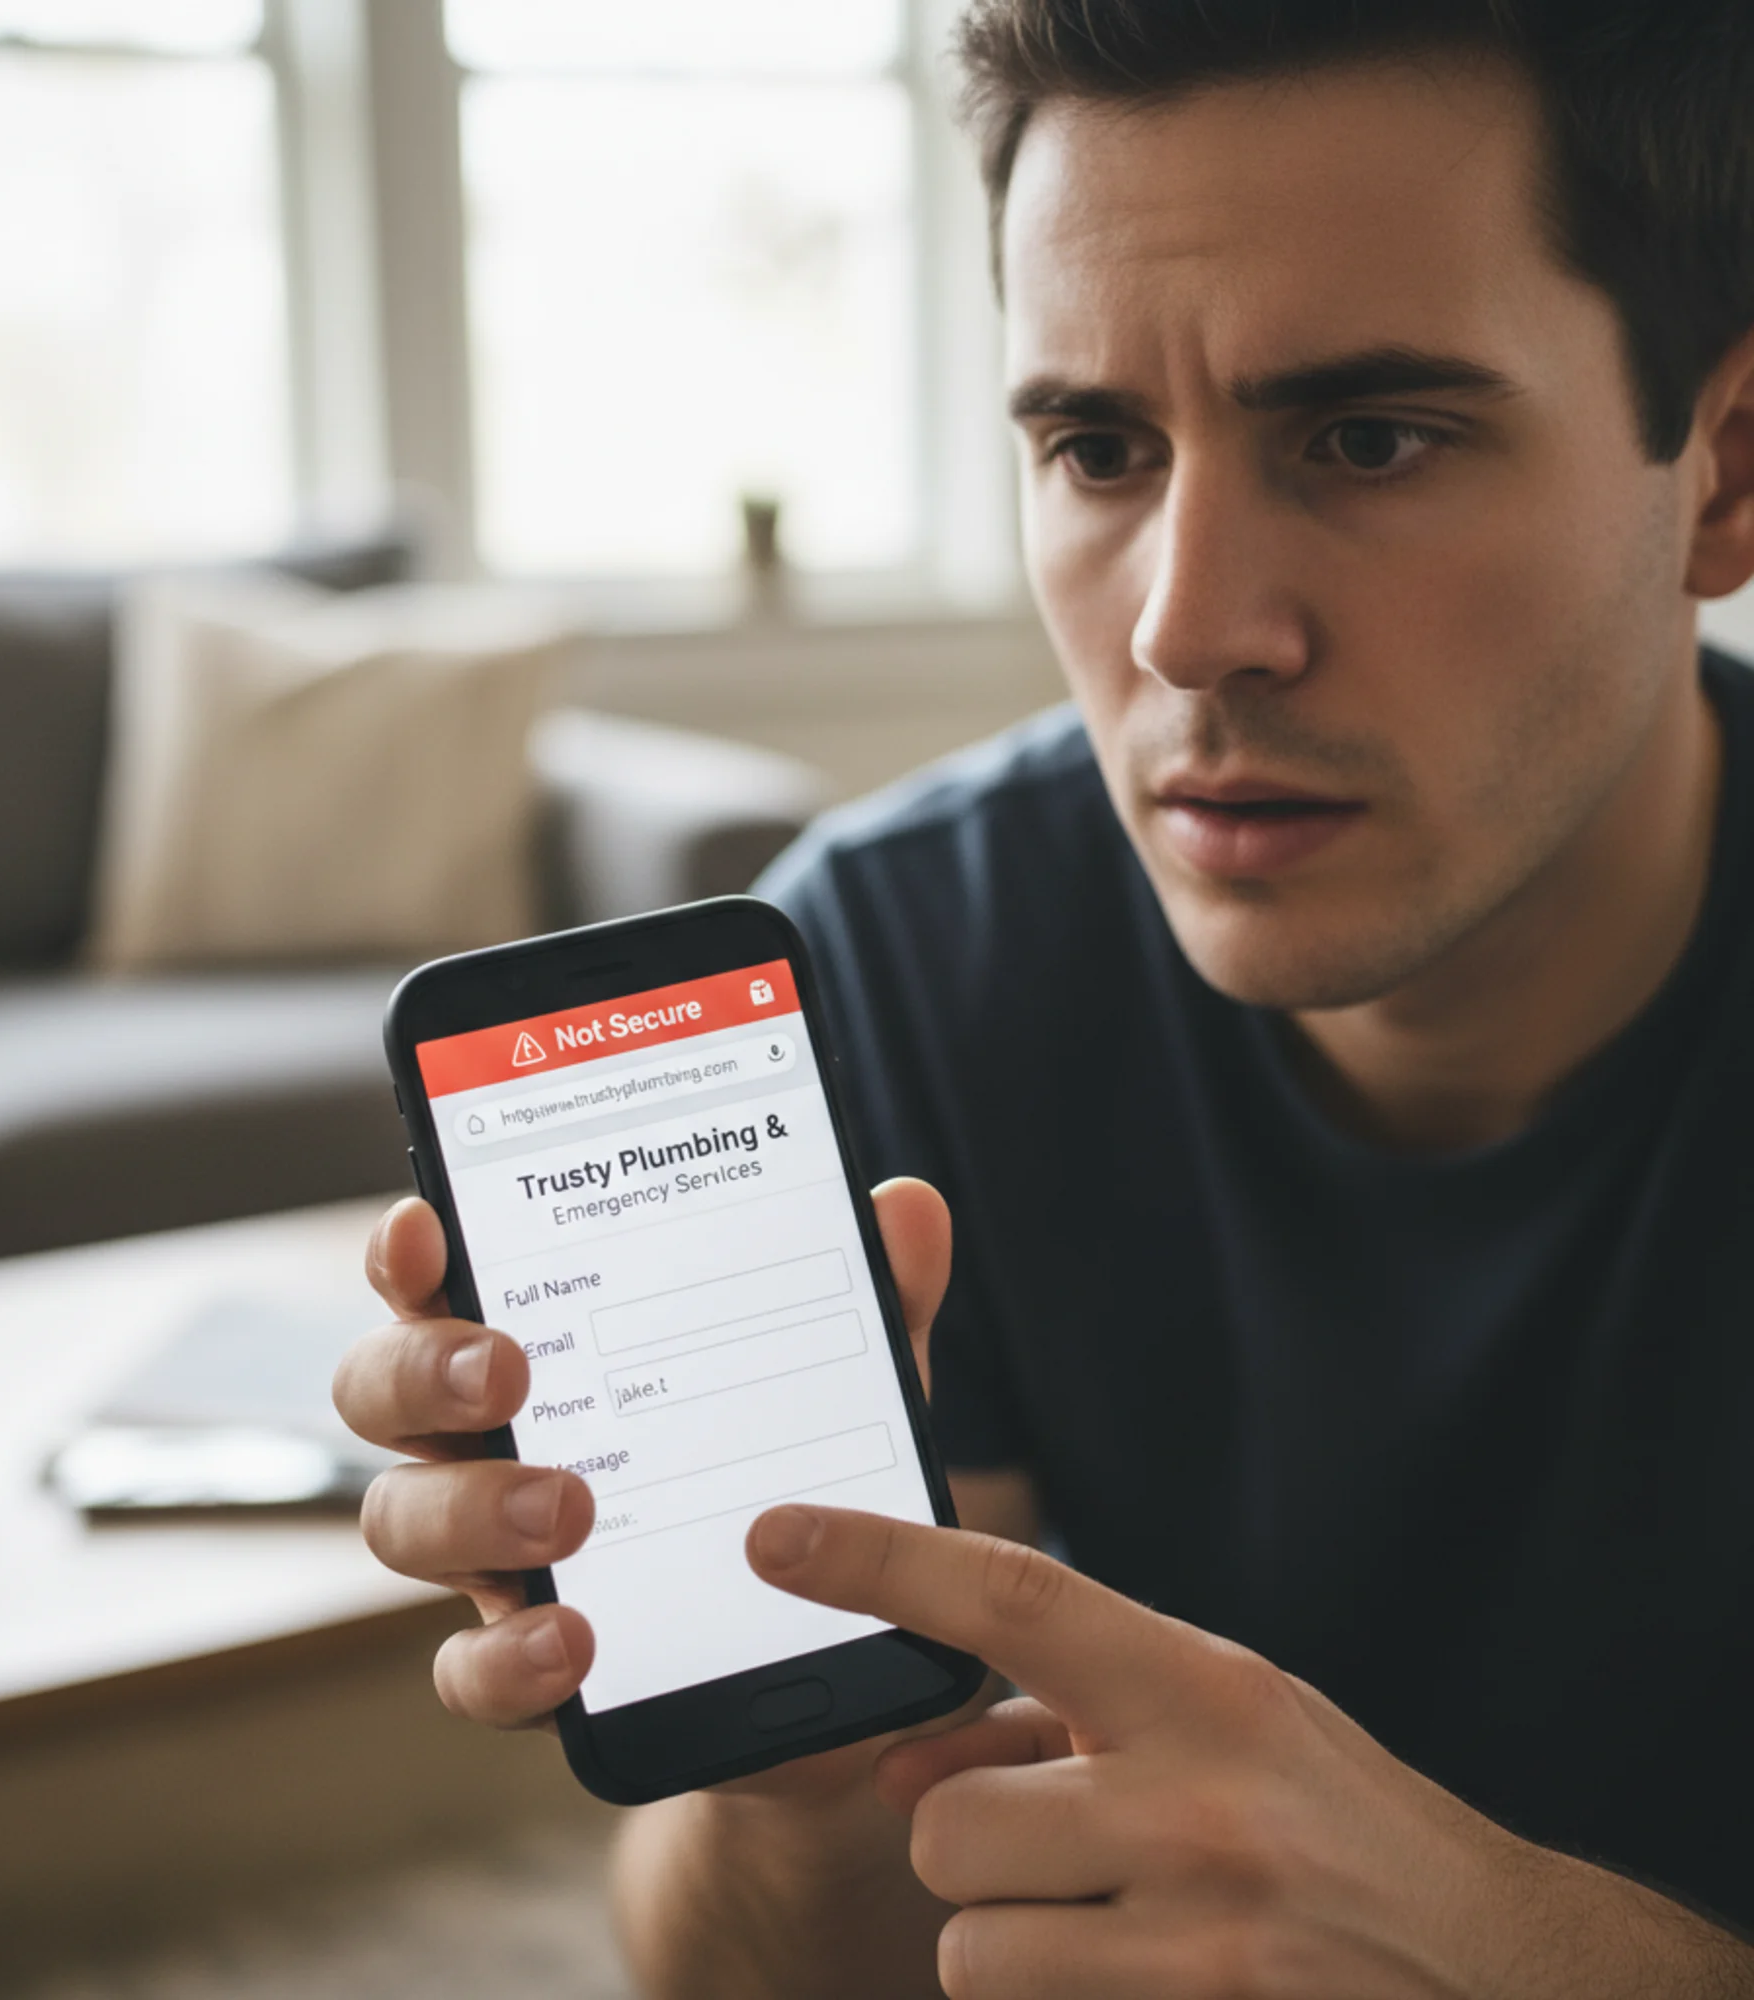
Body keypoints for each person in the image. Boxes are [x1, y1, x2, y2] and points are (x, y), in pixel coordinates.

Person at [333, 1, 1754, 1992]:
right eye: (1093, 445)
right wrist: (821, 1783)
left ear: (1719, 474)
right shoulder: (899, 961)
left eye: (1366, 435)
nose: (1186, 623)